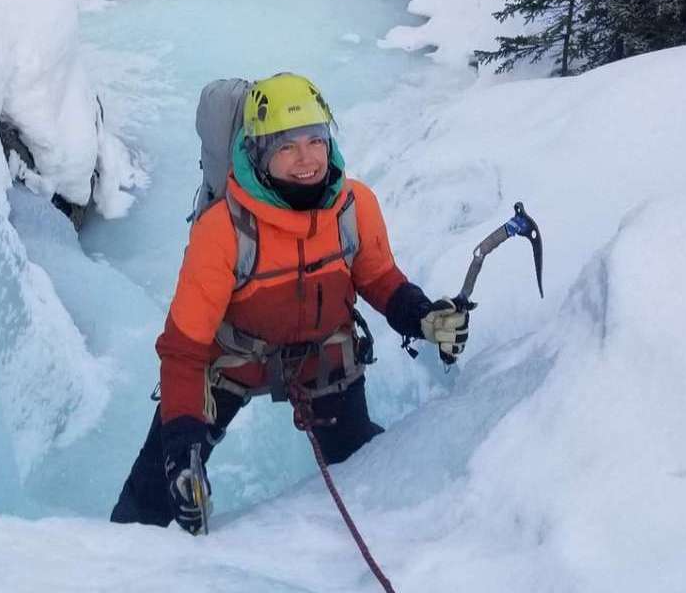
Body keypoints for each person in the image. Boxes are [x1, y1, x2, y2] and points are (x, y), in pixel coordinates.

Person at [110, 72, 473, 534]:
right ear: (259, 153)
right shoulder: (223, 230)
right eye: (286, 146)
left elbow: (378, 276)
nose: (306, 159)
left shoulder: (353, 205)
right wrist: (181, 446)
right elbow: (184, 348)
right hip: (233, 361)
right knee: (154, 492)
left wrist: (422, 316)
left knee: (367, 465)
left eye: (315, 140)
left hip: (319, 358)